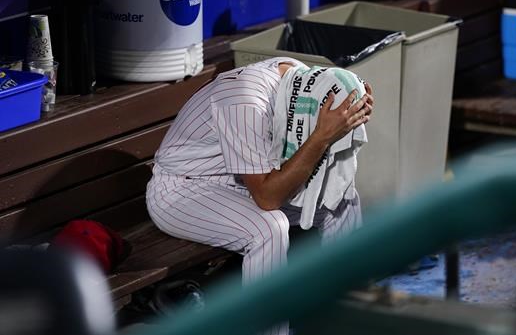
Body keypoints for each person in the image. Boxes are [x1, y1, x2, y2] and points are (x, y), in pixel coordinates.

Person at [146, 57, 373, 286]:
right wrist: (322, 136)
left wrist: (350, 108)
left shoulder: (297, 78)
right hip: (181, 190)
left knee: (340, 200)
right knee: (268, 229)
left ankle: (347, 307)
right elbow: (268, 198)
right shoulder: (244, 101)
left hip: (239, 181)